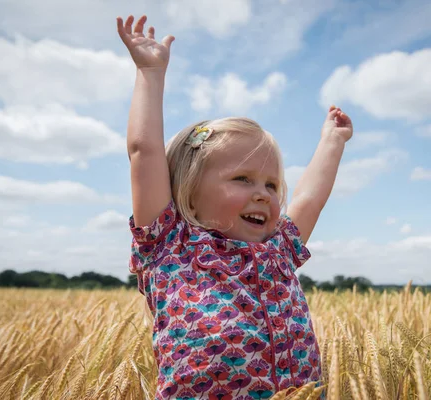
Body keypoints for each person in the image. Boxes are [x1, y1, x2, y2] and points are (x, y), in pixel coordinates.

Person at [118, 13, 353, 400]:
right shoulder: (170, 247)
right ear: (189, 190)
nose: (264, 194)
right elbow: (143, 153)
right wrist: (149, 71)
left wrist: (333, 141)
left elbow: (309, 198)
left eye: (272, 185)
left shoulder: (278, 249)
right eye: (242, 179)